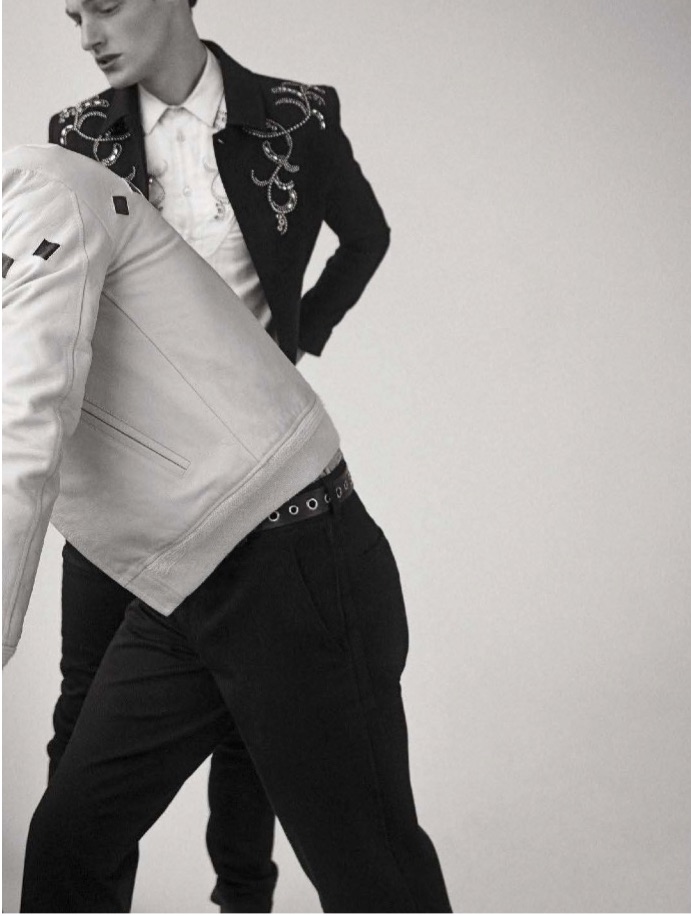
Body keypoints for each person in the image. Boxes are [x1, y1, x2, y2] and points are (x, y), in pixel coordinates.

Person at [45, 0, 390, 913]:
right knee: (83, 725)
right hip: (122, 484)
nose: (89, 34)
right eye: (75, 17)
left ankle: (244, 899)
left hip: (247, 478)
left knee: (257, 718)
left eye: (106, 5)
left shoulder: (295, 115)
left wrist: (294, 342)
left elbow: (365, 237)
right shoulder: (76, 138)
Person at [2, 144, 451, 914]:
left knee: (369, 878)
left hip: (288, 561)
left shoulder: (43, 197)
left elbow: (25, 414)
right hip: (180, 588)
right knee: (72, 844)